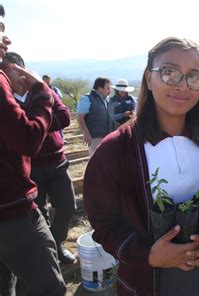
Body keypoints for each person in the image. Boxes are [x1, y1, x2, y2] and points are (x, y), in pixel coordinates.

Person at [83, 37, 199, 295]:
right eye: (169, 72)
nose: (182, 85)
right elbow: (104, 224)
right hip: (148, 282)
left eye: (193, 76)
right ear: (149, 79)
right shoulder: (116, 150)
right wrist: (149, 255)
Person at [0, 5, 66, 295]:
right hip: (11, 209)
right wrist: (41, 93)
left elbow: (62, 117)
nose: (6, 39)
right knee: (47, 287)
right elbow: (27, 138)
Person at [3, 52, 77, 265]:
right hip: (31, 167)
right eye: (5, 70)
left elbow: (64, 116)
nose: (11, 76)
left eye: (15, 70)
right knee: (39, 214)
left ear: (24, 70)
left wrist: (35, 125)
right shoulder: (6, 98)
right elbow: (22, 134)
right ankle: (50, 253)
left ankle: (57, 242)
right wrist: (34, 124)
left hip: (57, 161)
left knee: (67, 207)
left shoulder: (44, 92)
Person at [76, 77, 114, 156]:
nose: (109, 91)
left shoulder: (106, 100)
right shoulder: (87, 99)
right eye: (107, 88)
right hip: (95, 138)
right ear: (99, 88)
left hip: (106, 136)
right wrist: (86, 133)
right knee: (97, 161)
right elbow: (80, 117)